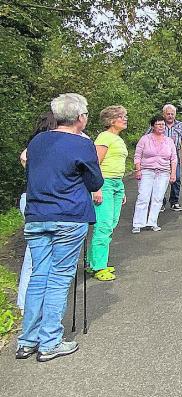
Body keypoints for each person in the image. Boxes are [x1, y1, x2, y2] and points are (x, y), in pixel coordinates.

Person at [16, 93, 103, 362]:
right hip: (67, 215)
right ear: (80, 118)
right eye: (86, 113)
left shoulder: (38, 141)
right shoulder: (81, 143)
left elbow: (31, 168)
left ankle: (27, 340)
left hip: (37, 215)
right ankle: (50, 341)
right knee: (58, 278)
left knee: (39, 276)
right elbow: (95, 181)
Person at [17, 112, 58, 315]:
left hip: (29, 197)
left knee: (32, 255)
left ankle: (26, 302)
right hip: (42, 201)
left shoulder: (33, 145)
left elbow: (24, 158)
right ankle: (32, 302)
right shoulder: (51, 146)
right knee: (39, 256)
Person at [88, 105, 129, 282]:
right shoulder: (104, 137)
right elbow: (94, 163)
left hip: (116, 184)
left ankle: (94, 261)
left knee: (110, 223)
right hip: (104, 183)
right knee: (103, 226)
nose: (125, 119)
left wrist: (122, 188)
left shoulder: (117, 138)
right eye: (122, 116)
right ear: (112, 120)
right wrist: (95, 187)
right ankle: (98, 267)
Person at [131, 115, 178, 233]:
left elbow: (173, 158)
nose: (161, 126)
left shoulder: (169, 141)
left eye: (163, 124)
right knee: (143, 197)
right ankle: (138, 223)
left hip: (163, 172)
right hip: (147, 170)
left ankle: (152, 222)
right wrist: (138, 170)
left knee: (158, 198)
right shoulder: (145, 139)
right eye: (158, 124)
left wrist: (173, 173)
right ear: (153, 126)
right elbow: (137, 155)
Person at [148, 104, 182, 212]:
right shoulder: (158, 124)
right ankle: (161, 201)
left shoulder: (180, 125)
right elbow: (147, 137)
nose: (170, 116)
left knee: (177, 178)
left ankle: (174, 201)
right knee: (160, 179)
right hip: (159, 155)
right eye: (168, 114)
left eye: (172, 114)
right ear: (163, 114)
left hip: (174, 154)